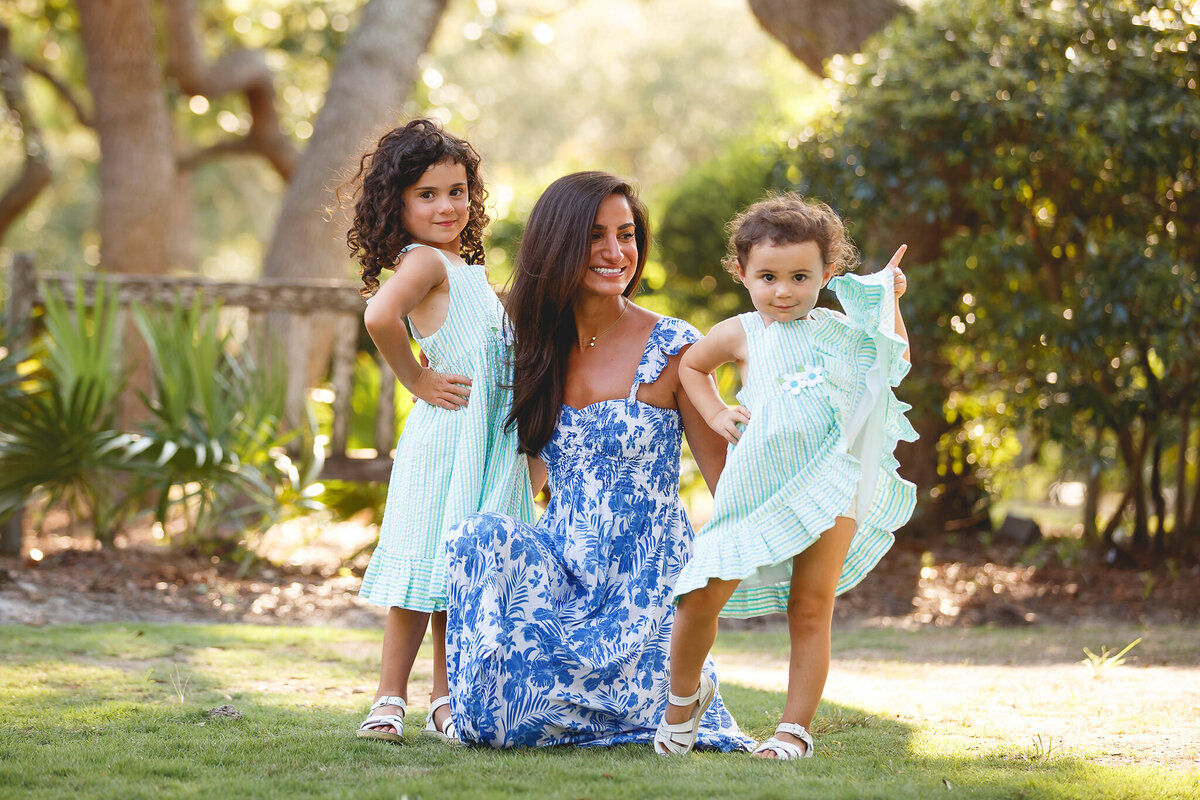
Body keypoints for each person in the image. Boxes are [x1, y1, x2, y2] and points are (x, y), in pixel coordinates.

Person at [442, 171, 754, 750]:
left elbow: (729, 488)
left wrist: (706, 594)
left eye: (627, 234)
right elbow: (520, 472)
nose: (616, 252)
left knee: (531, 718)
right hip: (561, 574)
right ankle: (467, 698)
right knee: (475, 538)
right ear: (558, 244)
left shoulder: (675, 348)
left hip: (645, 584)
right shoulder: (532, 348)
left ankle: (664, 697)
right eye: (595, 235)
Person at [655, 194, 918, 759]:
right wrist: (718, 411)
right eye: (768, 277)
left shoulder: (841, 331)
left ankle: (792, 730)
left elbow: (892, 360)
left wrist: (887, 303)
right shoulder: (742, 332)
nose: (783, 291)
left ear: (827, 273)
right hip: (755, 488)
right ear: (742, 274)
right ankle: (683, 699)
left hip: (830, 484)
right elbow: (692, 367)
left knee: (810, 606)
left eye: (800, 276)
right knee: (699, 594)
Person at [344, 119, 535, 745]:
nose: (446, 205)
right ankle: (388, 699)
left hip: (482, 445)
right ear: (397, 203)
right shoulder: (424, 261)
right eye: (427, 194)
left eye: (457, 191)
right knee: (420, 573)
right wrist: (415, 382)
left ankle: (446, 699)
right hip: (445, 441)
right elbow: (379, 314)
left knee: (459, 580)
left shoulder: (465, 269)